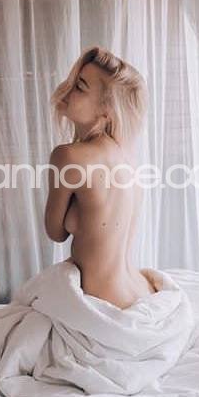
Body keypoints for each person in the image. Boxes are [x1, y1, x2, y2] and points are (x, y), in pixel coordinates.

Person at [45, 46, 157, 310]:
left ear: (106, 110)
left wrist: (73, 215)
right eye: (73, 80)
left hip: (103, 302)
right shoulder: (127, 157)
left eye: (79, 87)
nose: (66, 89)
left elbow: (55, 232)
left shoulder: (68, 156)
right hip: (139, 291)